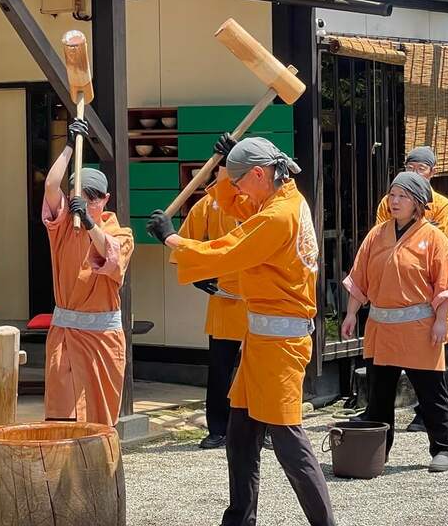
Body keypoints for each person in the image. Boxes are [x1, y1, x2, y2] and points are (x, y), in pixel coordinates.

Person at [147, 136, 335, 526]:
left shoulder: (276, 217)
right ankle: (238, 519)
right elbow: (240, 203)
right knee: (240, 435)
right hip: (265, 339)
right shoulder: (284, 200)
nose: (235, 191)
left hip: (279, 343)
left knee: (288, 440)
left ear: (258, 173)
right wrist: (223, 166)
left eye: (239, 180)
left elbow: (227, 250)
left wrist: (172, 238)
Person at [343, 171, 448, 473]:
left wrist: (441, 321)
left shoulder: (433, 237)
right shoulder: (377, 234)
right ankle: (378, 450)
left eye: (402, 196)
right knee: (380, 396)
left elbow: (444, 283)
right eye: (392, 195)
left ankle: (443, 448)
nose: (394, 201)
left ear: (417, 203)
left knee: (431, 391)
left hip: (420, 327)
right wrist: (351, 313)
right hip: (382, 326)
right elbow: (360, 278)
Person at [41, 118, 135, 425]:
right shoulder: (63, 227)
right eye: (82, 195)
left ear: (106, 199)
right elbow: (51, 186)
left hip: (102, 338)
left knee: (99, 418)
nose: (88, 202)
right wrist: (69, 147)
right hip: (66, 334)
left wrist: (92, 223)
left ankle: (99, 473)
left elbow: (113, 257)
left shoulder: (121, 233)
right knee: (62, 416)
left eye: (94, 197)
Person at [373, 146, 448, 432]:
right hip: (394, 295)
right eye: (410, 166)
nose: (414, 172)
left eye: (421, 168)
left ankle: (429, 417)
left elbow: (443, 244)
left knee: (432, 365)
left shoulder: (443, 205)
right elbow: (382, 239)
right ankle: (381, 421)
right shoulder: (386, 204)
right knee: (388, 369)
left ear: (432, 172)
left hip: (429, 292)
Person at [178, 191, 246, 449]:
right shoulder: (210, 202)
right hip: (225, 294)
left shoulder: (262, 199)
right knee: (220, 367)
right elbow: (186, 239)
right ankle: (218, 427)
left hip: (263, 295)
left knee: (261, 368)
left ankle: (266, 427)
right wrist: (197, 272)